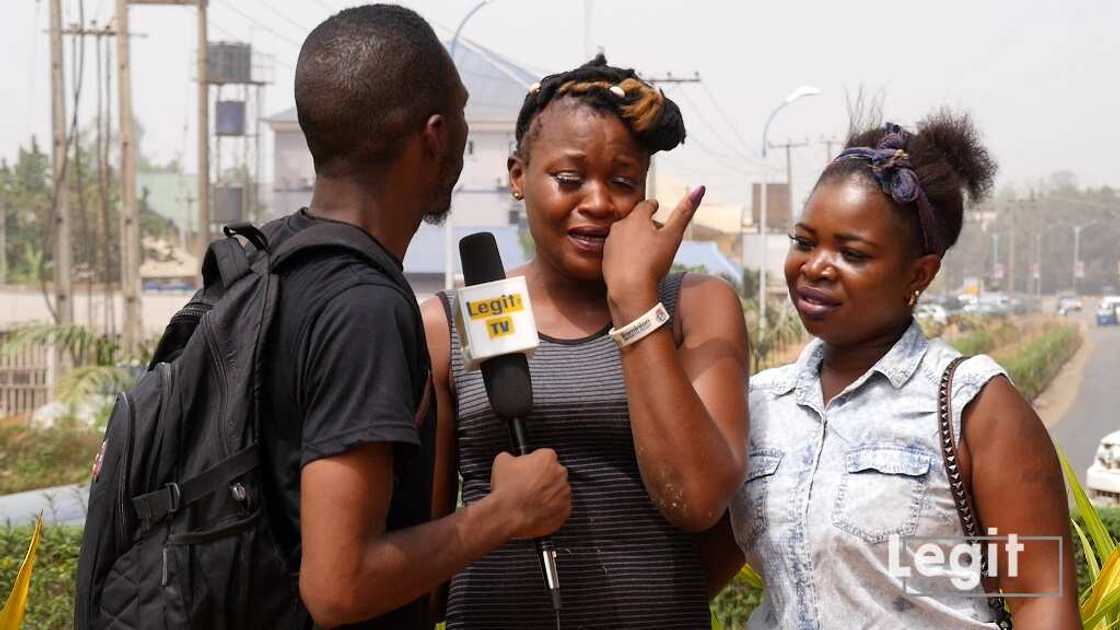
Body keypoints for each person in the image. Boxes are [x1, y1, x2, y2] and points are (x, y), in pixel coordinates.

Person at [258, 6, 571, 628]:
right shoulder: (364, 309)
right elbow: (339, 586)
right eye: (460, 114)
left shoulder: (261, 263)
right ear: (434, 136)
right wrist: (505, 512)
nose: (465, 136)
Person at [421, 55, 750, 629]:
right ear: (518, 176)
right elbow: (423, 549)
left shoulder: (696, 306)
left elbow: (698, 500)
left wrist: (634, 301)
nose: (597, 202)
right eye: (569, 180)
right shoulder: (449, 323)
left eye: (622, 182)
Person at [727, 111, 1080, 628]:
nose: (816, 266)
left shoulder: (973, 406)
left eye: (852, 252)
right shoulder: (758, 402)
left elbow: (1039, 600)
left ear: (919, 273)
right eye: (805, 241)